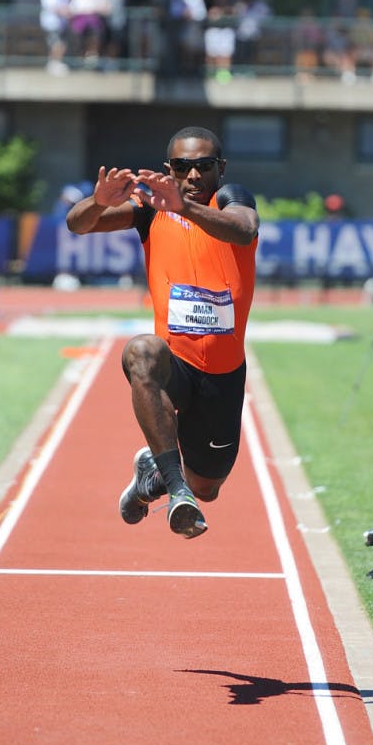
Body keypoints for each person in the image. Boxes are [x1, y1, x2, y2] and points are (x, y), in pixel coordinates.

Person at [66, 126, 260, 539]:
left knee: (209, 488)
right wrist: (98, 202)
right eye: (182, 167)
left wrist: (185, 209)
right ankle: (176, 491)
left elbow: (243, 230)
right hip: (176, 364)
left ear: (220, 169)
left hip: (223, 373)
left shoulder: (231, 199)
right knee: (141, 352)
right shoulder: (150, 209)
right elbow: (78, 225)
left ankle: (153, 476)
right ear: (168, 169)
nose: (192, 177)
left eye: (203, 167)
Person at [39, 0, 73, 75]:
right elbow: (52, 6)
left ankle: (54, 63)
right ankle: (54, 63)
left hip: (60, 23)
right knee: (56, 43)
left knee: (60, 44)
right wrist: (66, 12)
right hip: (53, 22)